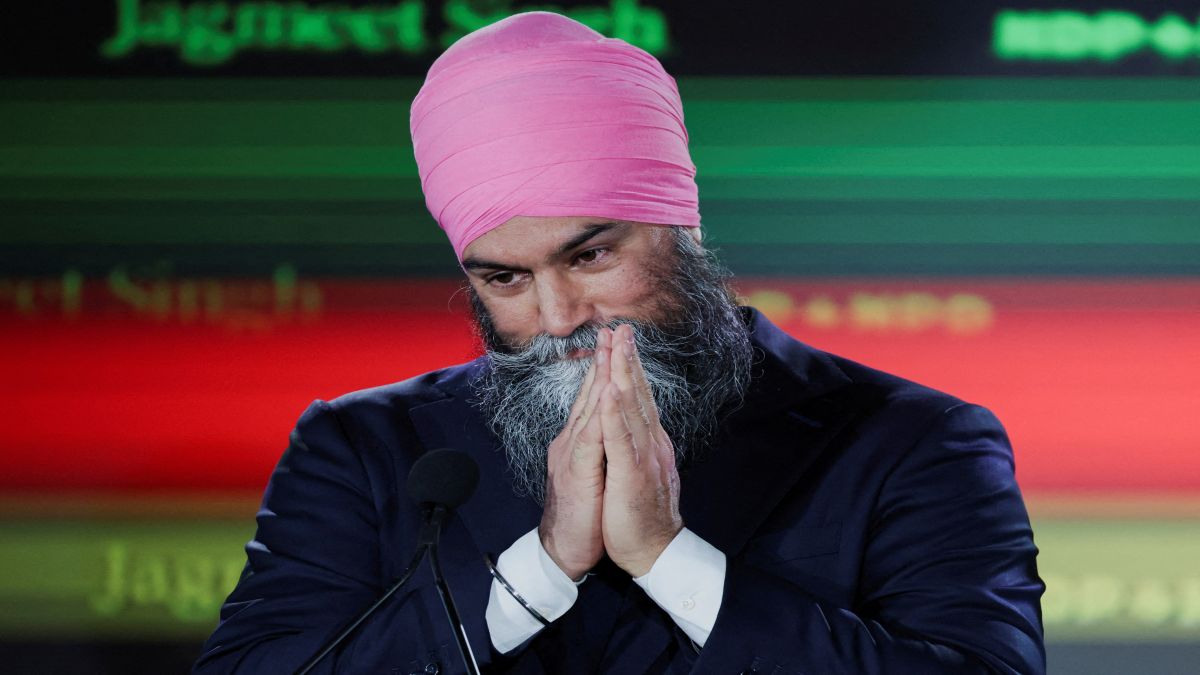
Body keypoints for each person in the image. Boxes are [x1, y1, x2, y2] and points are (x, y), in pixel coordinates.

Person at [195, 12, 1044, 675]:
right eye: (506, 279)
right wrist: (538, 569)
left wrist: (671, 558)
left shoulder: (911, 440)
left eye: (591, 254)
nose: (559, 315)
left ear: (682, 225)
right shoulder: (369, 447)